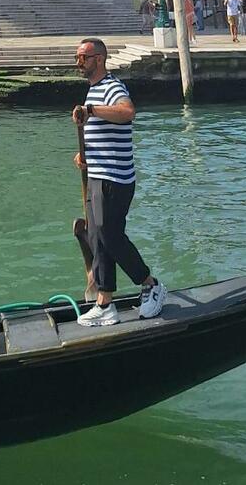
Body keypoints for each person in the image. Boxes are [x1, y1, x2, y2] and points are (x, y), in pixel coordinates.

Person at [72, 38, 166, 326]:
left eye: (83, 57)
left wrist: (92, 111)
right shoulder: (93, 90)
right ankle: (105, 303)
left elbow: (127, 113)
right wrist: (84, 153)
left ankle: (151, 284)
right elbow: (101, 131)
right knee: (97, 238)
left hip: (116, 180)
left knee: (109, 236)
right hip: (97, 176)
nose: (79, 62)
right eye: (77, 57)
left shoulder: (112, 87)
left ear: (99, 59)